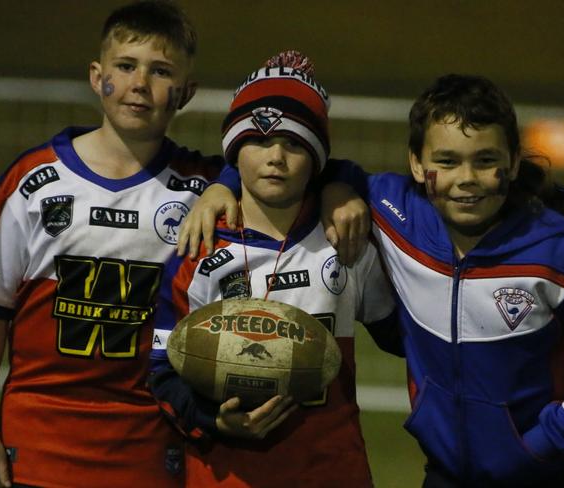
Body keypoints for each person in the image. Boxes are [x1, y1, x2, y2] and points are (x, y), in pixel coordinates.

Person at [179, 74, 564, 486]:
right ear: (417, 163)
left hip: (555, 474)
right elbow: (303, 166)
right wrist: (225, 183)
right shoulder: (395, 215)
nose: (466, 178)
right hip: (448, 474)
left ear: (514, 161)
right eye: (447, 161)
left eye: (486, 160)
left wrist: (537, 448)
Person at [0, 2, 225, 487]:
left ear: (186, 92)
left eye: (161, 71)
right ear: (96, 76)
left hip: (148, 448)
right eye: (125, 66)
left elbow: (292, 172)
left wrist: (229, 185)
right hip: (37, 445)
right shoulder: (33, 183)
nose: (140, 83)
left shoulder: (203, 189)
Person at [149, 50, 398, 488]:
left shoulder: (347, 242)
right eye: (260, 140)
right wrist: (215, 420)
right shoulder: (196, 248)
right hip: (223, 477)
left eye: (296, 144)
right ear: (233, 151)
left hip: (331, 473)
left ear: (318, 158)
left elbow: (407, 337)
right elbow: (159, 372)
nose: (276, 157)